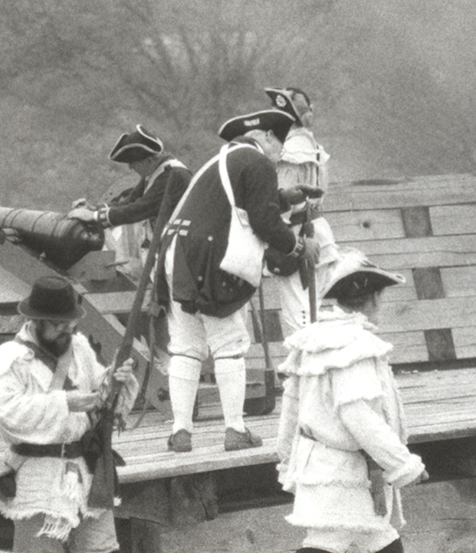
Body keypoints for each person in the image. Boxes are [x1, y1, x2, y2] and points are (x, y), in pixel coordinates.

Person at [156, 108, 320, 453]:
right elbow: (263, 221)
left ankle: (180, 432)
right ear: (265, 137)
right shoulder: (257, 162)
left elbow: (244, 202)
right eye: (279, 145)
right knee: (229, 345)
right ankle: (235, 429)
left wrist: (285, 197)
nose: (280, 155)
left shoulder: (220, 161)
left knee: (186, 347)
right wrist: (299, 245)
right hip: (211, 259)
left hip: (176, 255)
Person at [275, 250, 427, 553]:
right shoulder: (355, 345)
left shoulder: (313, 341)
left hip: (331, 469)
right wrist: (403, 465)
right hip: (341, 473)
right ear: (374, 298)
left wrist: (287, 457)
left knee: (381, 547)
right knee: (331, 548)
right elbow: (359, 417)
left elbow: (292, 407)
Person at [0, 275, 139, 553]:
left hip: (87, 475)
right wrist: (64, 403)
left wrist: (115, 378)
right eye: (57, 324)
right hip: (38, 479)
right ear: (37, 321)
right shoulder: (10, 360)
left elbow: (101, 395)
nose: (66, 329)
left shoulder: (79, 347)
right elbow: (8, 414)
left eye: (69, 322)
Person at [67, 125, 191, 280]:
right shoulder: (155, 172)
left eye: (133, 162)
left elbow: (138, 210)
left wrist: (95, 217)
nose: (130, 167)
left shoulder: (173, 175)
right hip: (164, 250)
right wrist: (93, 209)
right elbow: (130, 201)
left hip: (180, 256)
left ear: (149, 159)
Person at [263, 87, 340, 338]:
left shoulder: (290, 153)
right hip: (320, 231)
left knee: (299, 318)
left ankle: (307, 374)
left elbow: (282, 201)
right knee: (311, 312)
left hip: (298, 234)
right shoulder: (316, 148)